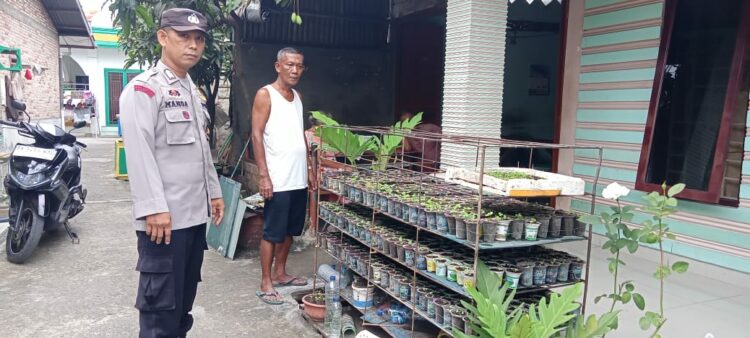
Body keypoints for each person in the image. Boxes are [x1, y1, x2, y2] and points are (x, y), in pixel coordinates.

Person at [119, 8, 225, 337]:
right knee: (159, 313)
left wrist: (215, 191)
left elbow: (200, 151)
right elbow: (139, 154)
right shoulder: (144, 90)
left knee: (181, 308)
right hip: (162, 223)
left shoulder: (190, 91)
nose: (193, 45)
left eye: (199, 39)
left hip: (192, 219)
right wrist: (153, 207)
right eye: (184, 37)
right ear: (163, 37)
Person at [251, 47, 316, 305]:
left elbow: (299, 133)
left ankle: (280, 272)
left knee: (290, 231)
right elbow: (256, 135)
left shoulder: (297, 96)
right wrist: (264, 176)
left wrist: (309, 169)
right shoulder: (265, 95)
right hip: (277, 179)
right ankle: (266, 280)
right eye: (289, 64)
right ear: (277, 66)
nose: (294, 70)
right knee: (272, 232)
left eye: (299, 65)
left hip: (297, 177)